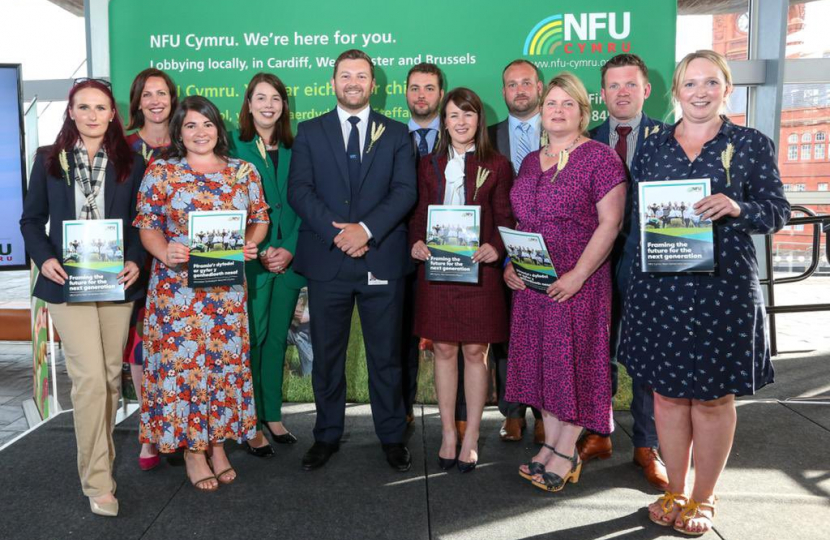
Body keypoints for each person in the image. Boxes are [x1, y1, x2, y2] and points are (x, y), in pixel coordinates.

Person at [618, 50, 790, 535]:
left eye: (710, 83)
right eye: (690, 84)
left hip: (723, 293)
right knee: (669, 398)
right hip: (662, 290)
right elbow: (639, 218)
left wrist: (738, 207)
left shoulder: (752, 144)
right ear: (677, 91)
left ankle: (705, 495)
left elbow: (778, 210)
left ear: (726, 89)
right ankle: (676, 488)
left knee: (714, 400)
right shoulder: (652, 147)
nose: (700, 92)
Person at [20, 79, 146, 516]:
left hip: (116, 282)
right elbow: (31, 220)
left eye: (101, 107)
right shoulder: (48, 161)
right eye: (83, 107)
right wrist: (44, 259)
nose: (92, 115)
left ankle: (102, 459)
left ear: (114, 115)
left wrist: (135, 260)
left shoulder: (132, 161)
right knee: (91, 379)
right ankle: (98, 481)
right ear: (70, 112)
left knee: (110, 379)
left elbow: (138, 223)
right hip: (65, 282)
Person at [288, 49, 417, 472]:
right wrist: (339, 233)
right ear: (333, 83)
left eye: (361, 76)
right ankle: (326, 435)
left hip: (381, 257)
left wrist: (365, 230)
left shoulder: (397, 134)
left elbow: (404, 192)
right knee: (327, 355)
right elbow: (300, 191)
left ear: (373, 84)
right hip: (329, 261)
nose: (354, 83)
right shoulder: (309, 132)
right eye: (346, 76)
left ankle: (392, 437)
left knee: (387, 356)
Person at [135, 96, 269, 492]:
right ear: (178, 131)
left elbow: (260, 217)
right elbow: (147, 225)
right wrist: (165, 251)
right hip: (177, 295)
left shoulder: (243, 172)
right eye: (190, 125)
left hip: (226, 292)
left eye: (207, 125)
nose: (200, 133)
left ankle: (218, 445)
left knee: (223, 370)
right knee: (185, 373)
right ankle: (194, 452)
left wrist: (250, 243)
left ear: (218, 129)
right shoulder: (161, 172)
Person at [504, 73, 627, 493]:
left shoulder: (600, 158)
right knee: (543, 366)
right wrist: (511, 264)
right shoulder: (528, 161)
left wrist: (577, 276)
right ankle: (552, 444)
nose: (557, 110)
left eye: (567, 104)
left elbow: (611, 224)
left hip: (579, 285)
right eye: (552, 103)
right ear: (541, 110)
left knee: (573, 363)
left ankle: (567, 449)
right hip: (533, 286)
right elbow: (523, 221)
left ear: (582, 112)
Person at [409, 88, 514, 472]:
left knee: (475, 352)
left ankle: (471, 436)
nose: (461, 122)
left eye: (467, 115)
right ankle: (448, 434)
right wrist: (415, 242)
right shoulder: (428, 164)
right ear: (444, 121)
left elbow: (506, 216)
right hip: (437, 272)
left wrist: (496, 247)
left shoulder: (498, 165)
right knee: (443, 350)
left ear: (478, 120)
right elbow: (419, 212)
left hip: (479, 271)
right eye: (453, 115)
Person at [582, 53, 669, 490]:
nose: (621, 92)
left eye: (630, 84)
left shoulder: (670, 139)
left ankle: (646, 444)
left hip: (651, 264)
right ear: (602, 94)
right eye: (613, 86)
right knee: (600, 348)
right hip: (594, 261)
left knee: (646, 353)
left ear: (646, 89)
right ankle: (599, 433)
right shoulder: (586, 140)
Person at [229, 72, 305, 458]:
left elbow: (307, 201)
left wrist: (289, 247)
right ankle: (249, 419)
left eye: (275, 98)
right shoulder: (233, 146)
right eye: (260, 98)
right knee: (252, 338)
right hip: (252, 260)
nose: (268, 105)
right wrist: (260, 249)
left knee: (277, 339)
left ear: (284, 106)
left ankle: (273, 415)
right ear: (248, 103)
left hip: (290, 260)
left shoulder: (298, 146)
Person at [403, 62, 470, 435]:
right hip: (404, 252)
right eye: (415, 88)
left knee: (459, 338)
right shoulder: (393, 135)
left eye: (429, 88)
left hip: (455, 256)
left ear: (440, 95)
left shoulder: (459, 140)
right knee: (403, 338)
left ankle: (460, 418)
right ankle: (403, 411)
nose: (421, 95)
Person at [123, 67, 179, 472]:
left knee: (174, 348)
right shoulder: (122, 148)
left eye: (162, 93)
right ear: (137, 102)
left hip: (177, 263)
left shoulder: (188, 142)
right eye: (148, 95)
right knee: (140, 349)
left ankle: (175, 427)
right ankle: (149, 430)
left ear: (172, 99)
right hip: (130, 261)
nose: (156, 101)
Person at [487, 59, 546, 444]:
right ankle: (512, 412)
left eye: (527, 82)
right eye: (512, 84)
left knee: (548, 334)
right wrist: (504, 254)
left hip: (556, 252)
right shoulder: (486, 138)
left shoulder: (568, 130)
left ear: (540, 88)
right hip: (500, 250)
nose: (520, 90)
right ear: (503, 92)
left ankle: (546, 410)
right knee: (506, 332)